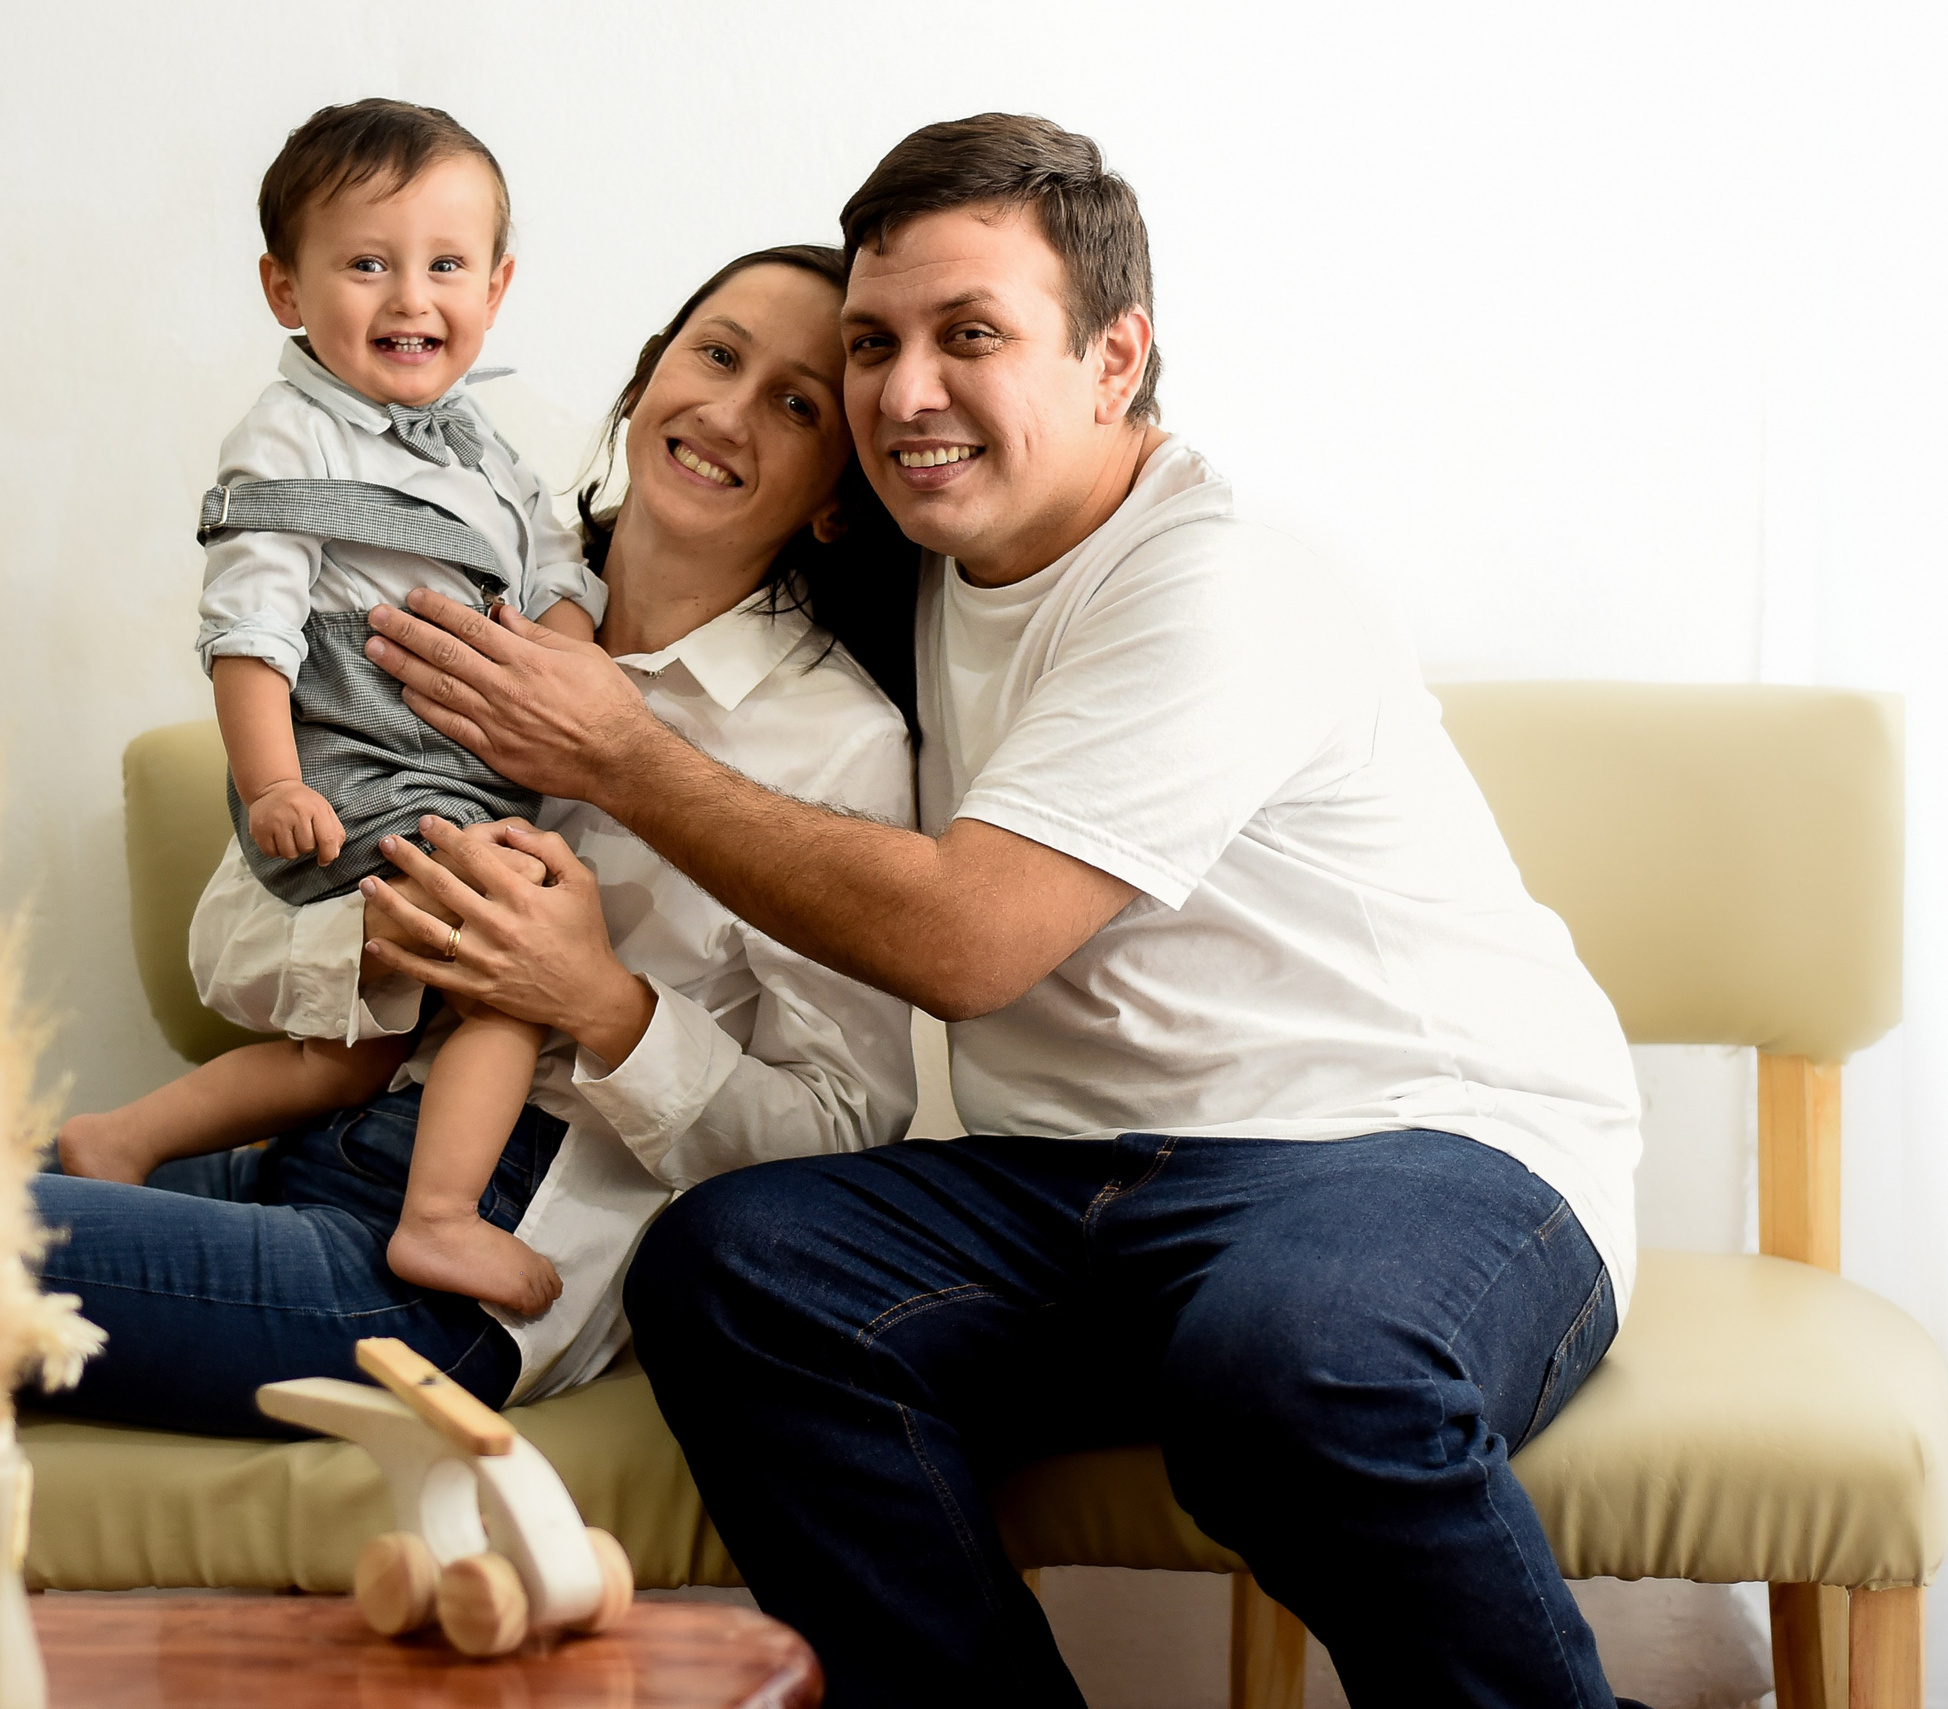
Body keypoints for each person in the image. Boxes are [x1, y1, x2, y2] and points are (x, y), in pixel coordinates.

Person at [353, 115, 1650, 1709]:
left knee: (1287, 1358)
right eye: (875, 344)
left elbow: (970, 939)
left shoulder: (1219, 583)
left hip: (1416, 1150)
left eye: (972, 336)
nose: (906, 395)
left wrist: (620, 753)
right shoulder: (920, 557)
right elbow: (632, 523)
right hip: (1082, 1186)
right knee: (740, 1267)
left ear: (1118, 359)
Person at [0, 243, 919, 1636]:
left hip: (459, 1263)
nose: (730, 411)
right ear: (651, 372)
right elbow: (233, 937)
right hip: (301, 1143)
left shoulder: (829, 744)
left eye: (799, 405)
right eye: (717, 355)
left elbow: (844, 1143)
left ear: (841, 503)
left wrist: (603, 1005)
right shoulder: (459, 589)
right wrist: (379, 943)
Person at [55, 98, 611, 1314]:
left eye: (446, 266)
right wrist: (273, 786)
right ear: (284, 288)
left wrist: (564, 639)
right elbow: (247, 634)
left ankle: (121, 1137)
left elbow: (554, 562)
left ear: (499, 286)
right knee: (514, 961)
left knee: (353, 1057)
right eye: (368, 264)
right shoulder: (290, 439)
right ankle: (441, 1215)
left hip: (455, 771)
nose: (412, 299)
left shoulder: (479, 441)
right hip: (365, 763)